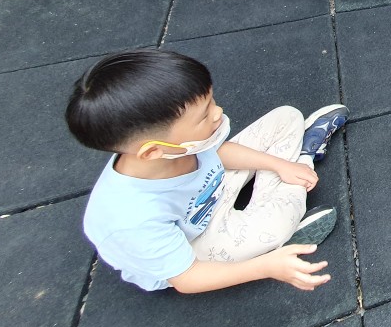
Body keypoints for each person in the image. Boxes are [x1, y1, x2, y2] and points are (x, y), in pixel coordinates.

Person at [65, 49, 350, 294]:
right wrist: (264, 268)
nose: (218, 112)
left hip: (210, 192)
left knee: (286, 116)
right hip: (193, 246)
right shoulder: (132, 221)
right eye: (204, 115)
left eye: (211, 101)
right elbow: (187, 279)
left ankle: (291, 178)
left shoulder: (178, 147)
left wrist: (280, 165)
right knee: (273, 228)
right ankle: (296, 185)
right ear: (153, 151)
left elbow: (217, 154)